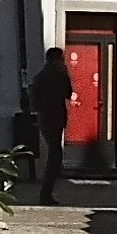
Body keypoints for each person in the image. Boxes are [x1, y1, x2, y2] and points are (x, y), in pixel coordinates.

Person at [29, 46, 75, 204]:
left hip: (45, 118)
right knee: (55, 155)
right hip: (55, 117)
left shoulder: (40, 76)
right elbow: (68, 93)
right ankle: (46, 193)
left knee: (54, 153)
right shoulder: (59, 75)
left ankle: (47, 192)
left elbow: (33, 99)